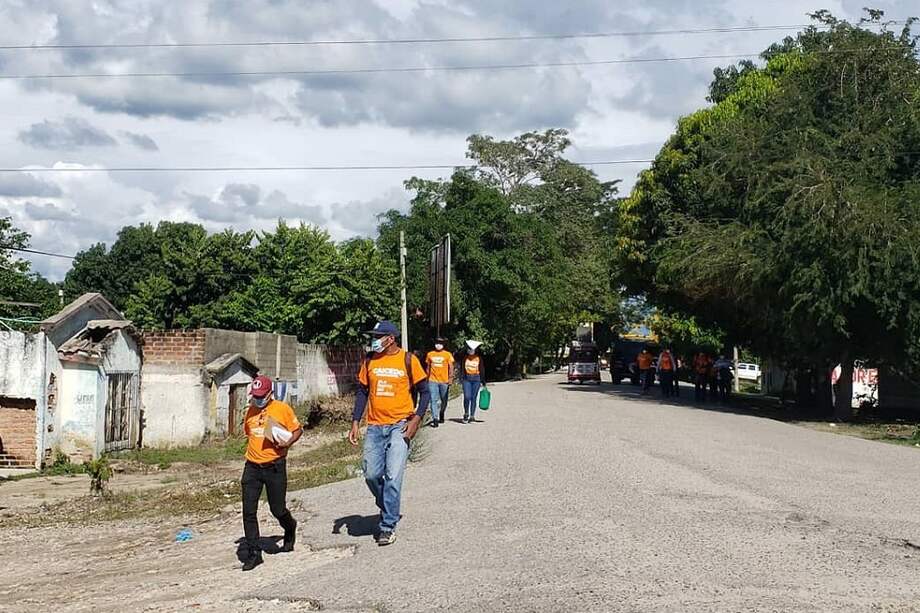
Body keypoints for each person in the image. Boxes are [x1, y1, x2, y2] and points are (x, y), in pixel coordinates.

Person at [349, 320, 430, 546]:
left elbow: (424, 392)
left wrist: (416, 419)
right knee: (371, 475)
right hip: (375, 427)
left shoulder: (408, 360)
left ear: (390, 338)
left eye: (378, 336)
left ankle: (387, 526)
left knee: (393, 476)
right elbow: (362, 392)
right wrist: (355, 421)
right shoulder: (370, 360)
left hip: (400, 425)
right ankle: (388, 504)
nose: (374, 341)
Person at [240, 374, 303, 571]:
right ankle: (254, 553)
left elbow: (297, 430)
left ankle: (289, 527)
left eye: (261, 395)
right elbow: (250, 434)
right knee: (249, 511)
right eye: (255, 395)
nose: (257, 399)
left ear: (270, 394)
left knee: (277, 509)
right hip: (252, 467)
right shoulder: (250, 411)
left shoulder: (282, 409)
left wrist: (287, 442)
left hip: (275, 466)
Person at [425, 337, 454, 427]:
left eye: (440, 343)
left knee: (444, 400)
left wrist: (450, 378)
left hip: (444, 381)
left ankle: (441, 412)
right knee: (433, 399)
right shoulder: (430, 354)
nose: (438, 345)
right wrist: (427, 377)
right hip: (432, 380)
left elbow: (451, 367)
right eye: (437, 343)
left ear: (443, 344)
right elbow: (428, 367)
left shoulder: (447, 354)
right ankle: (435, 418)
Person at [461, 340, 485, 423]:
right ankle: (466, 413)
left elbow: (482, 369)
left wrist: (483, 381)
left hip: (476, 379)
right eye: (469, 349)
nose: (470, 350)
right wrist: (462, 378)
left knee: (473, 398)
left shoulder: (479, 358)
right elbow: (462, 369)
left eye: (472, 349)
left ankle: (472, 416)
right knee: (467, 396)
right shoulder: (464, 358)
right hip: (466, 379)